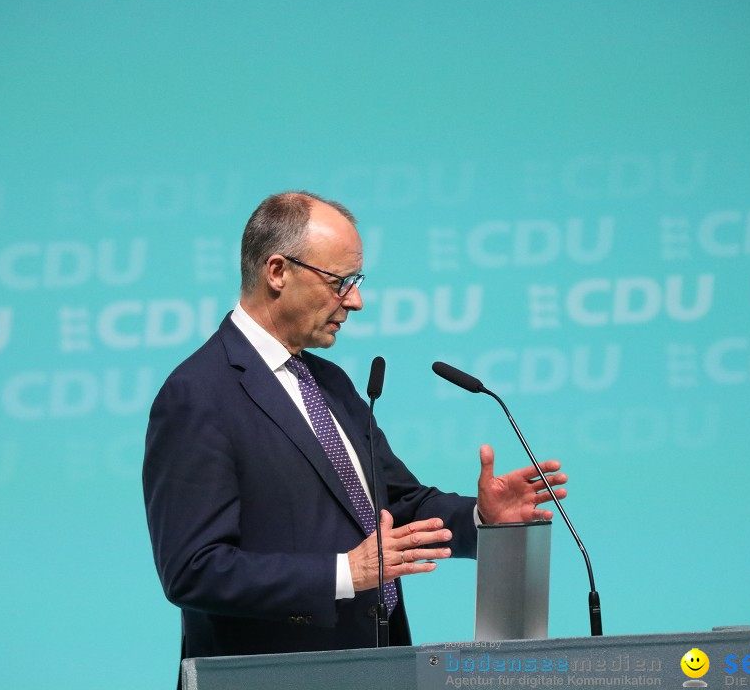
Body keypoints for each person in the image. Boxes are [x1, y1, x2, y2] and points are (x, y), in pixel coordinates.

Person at [143, 191, 568, 663]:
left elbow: (399, 504)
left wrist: (482, 518)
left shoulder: (329, 382)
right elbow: (193, 570)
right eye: (340, 281)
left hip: (378, 668)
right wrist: (343, 574)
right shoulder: (198, 394)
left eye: (356, 280)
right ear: (278, 271)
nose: (357, 300)